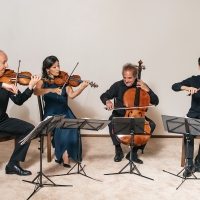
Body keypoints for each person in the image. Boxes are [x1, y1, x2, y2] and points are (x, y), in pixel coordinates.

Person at [34, 56, 89, 167]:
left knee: (72, 124)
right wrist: (51, 89)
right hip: (51, 112)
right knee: (60, 125)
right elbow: (36, 91)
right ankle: (64, 155)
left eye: (58, 65)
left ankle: (65, 153)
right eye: (54, 67)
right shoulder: (42, 81)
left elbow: (72, 95)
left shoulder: (64, 79)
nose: (58, 68)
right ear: (47, 69)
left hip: (65, 110)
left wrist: (82, 87)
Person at [100, 63, 159, 163]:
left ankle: (133, 153)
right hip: (119, 115)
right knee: (111, 122)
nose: (126, 80)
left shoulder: (142, 86)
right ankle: (118, 150)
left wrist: (147, 89)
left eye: (129, 78)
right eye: (124, 77)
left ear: (135, 76)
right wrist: (107, 101)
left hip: (137, 115)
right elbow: (104, 95)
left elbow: (155, 101)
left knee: (151, 125)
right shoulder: (118, 85)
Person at [0, 50, 41, 176]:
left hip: (2, 120)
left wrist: (30, 87)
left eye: (6, 62)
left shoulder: (7, 79)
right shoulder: (4, 83)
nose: (7, 66)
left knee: (29, 129)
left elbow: (18, 101)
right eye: (4, 62)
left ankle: (13, 164)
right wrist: (2, 85)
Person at [172, 57, 200, 177]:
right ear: (199, 66)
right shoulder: (194, 80)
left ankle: (198, 160)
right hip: (193, 115)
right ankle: (189, 164)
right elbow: (175, 86)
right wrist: (186, 87)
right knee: (187, 131)